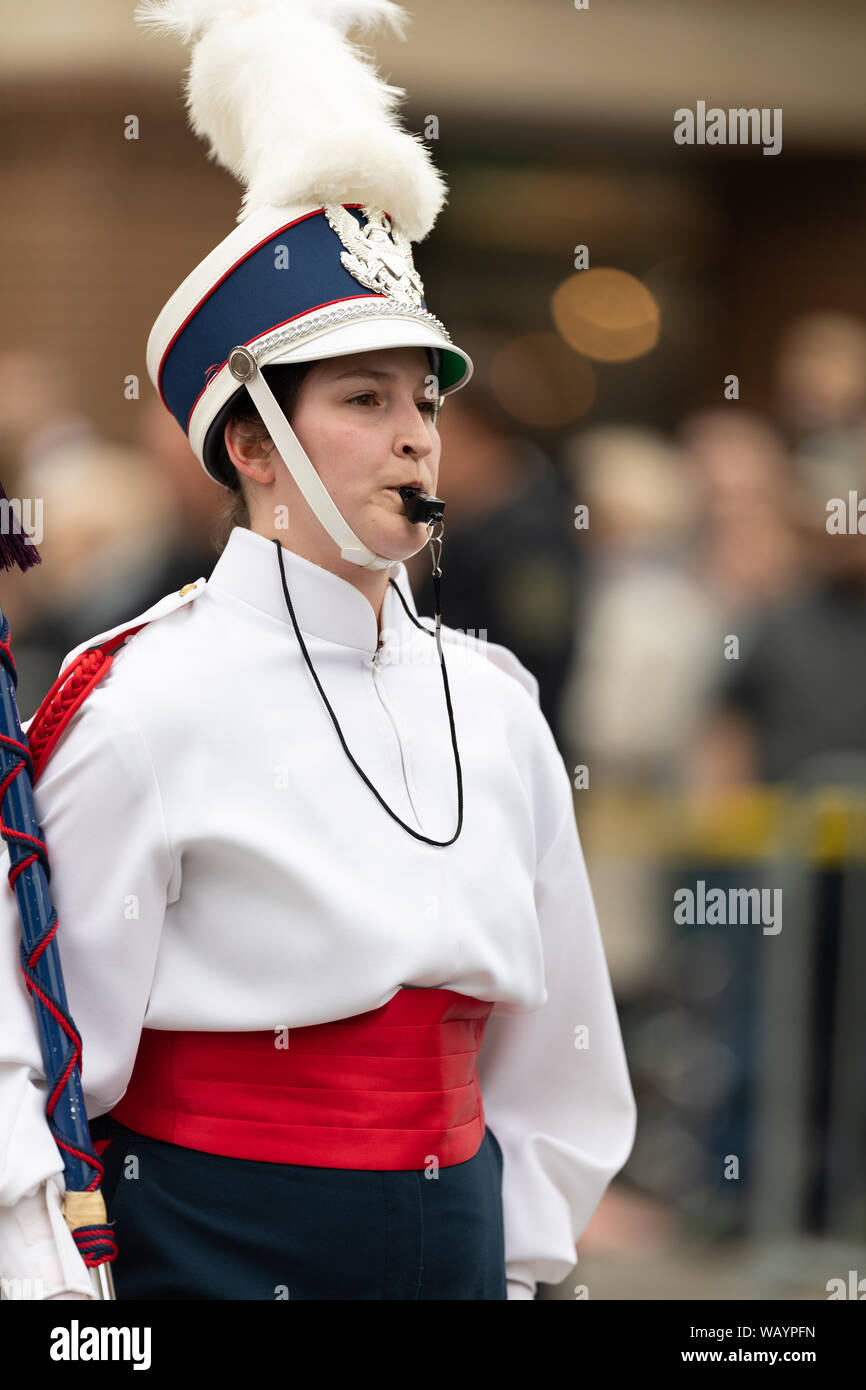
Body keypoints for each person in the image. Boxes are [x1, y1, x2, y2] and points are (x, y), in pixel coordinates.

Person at [0, 0, 636, 1301]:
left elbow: (556, 1059)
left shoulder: (496, 701)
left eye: (423, 399)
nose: (414, 437)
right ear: (249, 444)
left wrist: (516, 1264)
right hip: (207, 1245)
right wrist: (58, 1295)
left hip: (454, 1246)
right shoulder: (135, 701)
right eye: (362, 399)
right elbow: (48, 1049)